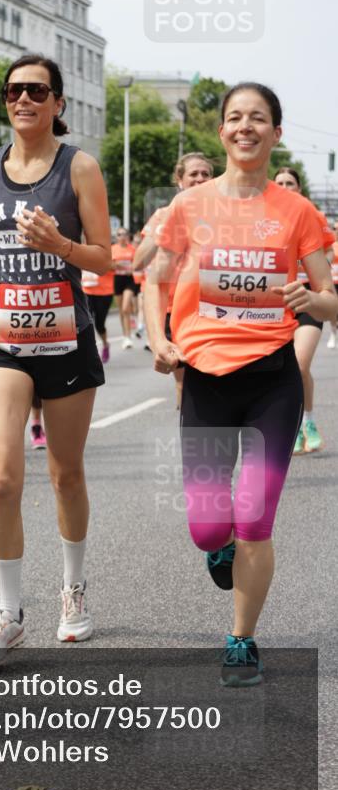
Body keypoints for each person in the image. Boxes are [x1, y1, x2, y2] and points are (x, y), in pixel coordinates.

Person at [144, 83, 337, 687]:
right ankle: (219, 546)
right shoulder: (190, 205)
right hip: (205, 379)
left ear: (276, 133)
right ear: (221, 131)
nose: (245, 126)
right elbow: (154, 280)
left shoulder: (297, 211)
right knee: (207, 527)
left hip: (272, 381)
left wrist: (312, 301)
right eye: (234, 117)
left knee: (254, 518)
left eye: (258, 118)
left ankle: (241, 639)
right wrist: (158, 339)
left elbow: (331, 298)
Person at [0, 54, 111, 665]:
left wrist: (61, 245)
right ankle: (9, 612)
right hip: (3, 340)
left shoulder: (80, 167)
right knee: (2, 478)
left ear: (57, 103)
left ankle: (73, 590)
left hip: (66, 340)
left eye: (36, 90)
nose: (23, 99)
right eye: (13, 90)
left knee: (65, 473)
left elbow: (103, 257)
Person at [134, 152, 214, 405]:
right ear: (179, 180)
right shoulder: (162, 215)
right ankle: (189, 425)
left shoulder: (222, 214)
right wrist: (166, 226)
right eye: (193, 174)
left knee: (211, 378)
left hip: (210, 309)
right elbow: (139, 262)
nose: (200, 179)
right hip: (173, 309)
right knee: (183, 381)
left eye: (205, 174)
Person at [273, 167, 335, 453]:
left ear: (299, 188)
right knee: (278, 370)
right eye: (280, 182)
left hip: (307, 298)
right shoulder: (264, 215)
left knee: (300, 365)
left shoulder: (311, 214)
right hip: (275, 301)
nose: (285, 187)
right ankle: (289, 423)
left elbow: (329, 250)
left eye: (290, 183)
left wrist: (314, 263)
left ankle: (306, 422)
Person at [81, 245, 114, 362]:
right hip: (87, 291)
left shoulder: (104, 248)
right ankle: (91, 351)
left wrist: (97, 262)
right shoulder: (80, 248)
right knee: (86, 322)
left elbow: (114, 266)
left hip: (105, 292)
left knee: (99, 324)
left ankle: (105, 344)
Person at [112, 228, 136, 348]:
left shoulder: (132, 249)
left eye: (124, 234)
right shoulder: (113, 249)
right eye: (119, 234)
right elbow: (109, 264)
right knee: (121, 310)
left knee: (126, 307)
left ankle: (128, 336)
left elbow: (137, 263)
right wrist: (119, 265)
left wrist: (132, 268)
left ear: (127, 236)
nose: (122, 236)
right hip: (117, 279)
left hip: (129, 280)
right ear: (116, 237)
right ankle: (125, 336)